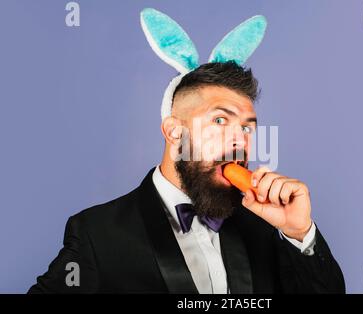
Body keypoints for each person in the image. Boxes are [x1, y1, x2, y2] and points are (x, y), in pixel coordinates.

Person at [28, 8, 345, 294]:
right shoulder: (98, 234)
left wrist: (299, 233)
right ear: (173, 131)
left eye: (247, 127)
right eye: (220, 120)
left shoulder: (263, 226)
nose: (239, 140)